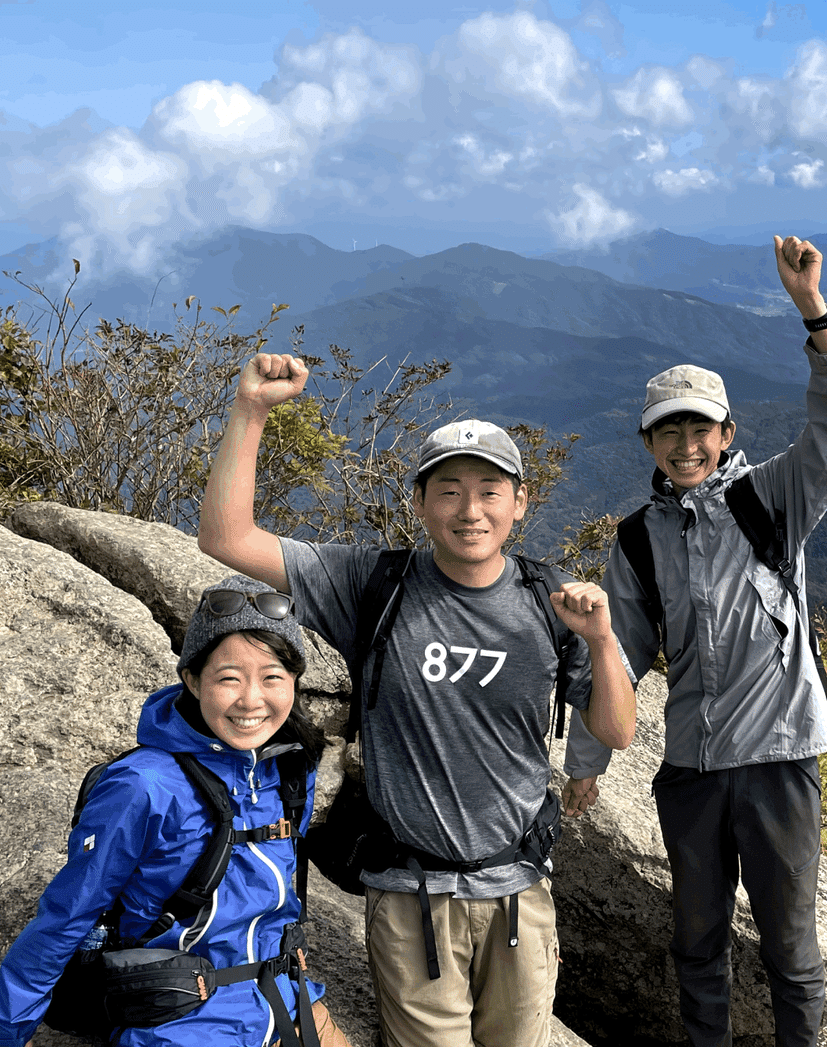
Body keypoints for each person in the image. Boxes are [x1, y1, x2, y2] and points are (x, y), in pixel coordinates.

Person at [199, 385, 635, 1047]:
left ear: (520, 502)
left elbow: (617, 730)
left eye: (490, 490)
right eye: (449, 490)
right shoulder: (373, 583)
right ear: (420, 503)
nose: (470, 510)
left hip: (519, 889)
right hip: (410, 896)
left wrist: (602, 640)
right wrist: (251, 409)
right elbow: (226, 537)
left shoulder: (551, 601)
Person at [562, 234, 827, 1047]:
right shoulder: (636, 540)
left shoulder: (773, 498)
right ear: (648, 443)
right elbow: (617, 655)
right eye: (669, 432)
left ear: (727, 433)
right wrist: (588, 765)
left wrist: (814, 310)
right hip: (693, 770)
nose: (686, 444)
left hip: (777, 761)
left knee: (793, 949)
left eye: (700, 428)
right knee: (695, 942)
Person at [0, 577, 350, 1047]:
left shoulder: (290, 768)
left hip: (289, 1004)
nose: (251, 700)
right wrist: (9, 1030)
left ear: (295, 683)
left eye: (273, 676)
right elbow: (69, 912)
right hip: (181, 1023)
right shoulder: (143, 785)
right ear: (193, 680)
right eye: (229, 678)